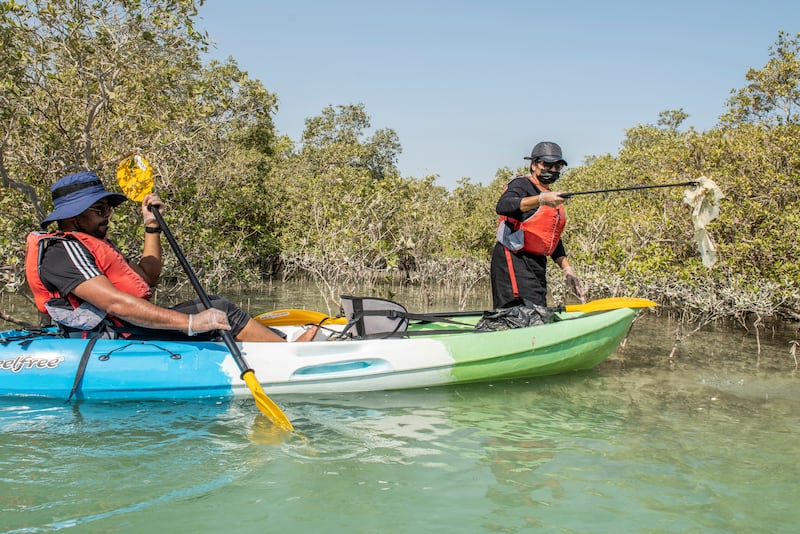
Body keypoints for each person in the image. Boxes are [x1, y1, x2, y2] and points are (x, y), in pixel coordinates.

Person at [25, 171, 317, 342]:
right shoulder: (61, 252)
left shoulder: (89, 243)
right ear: (73, 216)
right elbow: (114, 302)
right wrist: (190, 323)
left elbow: (147, 277)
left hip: (123, 326)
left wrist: (152, 227)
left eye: (108, 209)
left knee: (211, 302)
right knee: (220, 310)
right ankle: (288, 353)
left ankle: (275, 341)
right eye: (100, 210)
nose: (107, 217)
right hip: (113, 335)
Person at [490, 141, 584, 309]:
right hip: (513, 259)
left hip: (537, 264)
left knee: (537, 309)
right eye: (547, 164)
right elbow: (503, 206)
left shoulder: (550, 196)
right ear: (534, 165)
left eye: (558, 166)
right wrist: (541, 200)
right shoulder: (521, 184)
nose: (553, 170)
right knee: (520, 313)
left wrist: (567, 268)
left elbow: (550, 239)